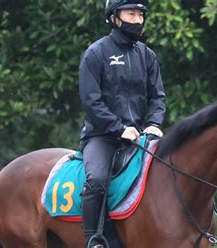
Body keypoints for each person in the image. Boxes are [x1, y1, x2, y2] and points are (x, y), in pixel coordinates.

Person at [78, 0, 165, 247]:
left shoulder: (148, 55)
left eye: (140, 14)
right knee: (96, 180)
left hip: (141, 135)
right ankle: (94, 239)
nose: (137, 20)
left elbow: (157, 96)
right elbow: (91, 101)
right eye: (131, 13)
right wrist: (118, 128)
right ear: (114, 17)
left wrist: (154, 123)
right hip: (102, 136)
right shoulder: (96, 53)